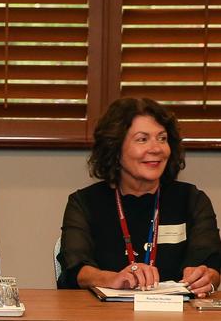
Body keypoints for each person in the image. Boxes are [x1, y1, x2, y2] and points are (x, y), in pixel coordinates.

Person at [57, 97, 221, 298]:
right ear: (115, 149)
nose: (156, 148)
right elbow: (75, 269)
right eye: (142, 139)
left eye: (162, 138)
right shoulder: (84, 203)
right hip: (104, 315)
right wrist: (112, 279)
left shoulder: (192, 200)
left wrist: (207, 278)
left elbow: (212, 265)